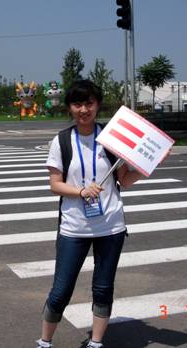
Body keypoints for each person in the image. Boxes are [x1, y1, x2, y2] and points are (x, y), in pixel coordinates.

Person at [36, 80, 143, 348]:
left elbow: (125, 181)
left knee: (103, 287)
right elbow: (54, 185)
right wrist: (81, 192)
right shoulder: (61, 141)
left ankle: (96, 343)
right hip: (74, 228)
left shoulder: (111, 139)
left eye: (89, 103)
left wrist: (149, 166)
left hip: (111, 226)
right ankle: (45, 342)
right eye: (77, 103)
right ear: (70, 107)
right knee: (61, 290)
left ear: (97, 105)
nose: (83, 109)